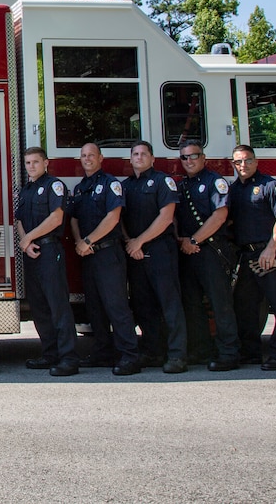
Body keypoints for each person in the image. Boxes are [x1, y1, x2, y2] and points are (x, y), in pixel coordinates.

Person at [68, 143, 140, 376]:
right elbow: (74, 219)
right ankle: (102, 352)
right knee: (95, 307)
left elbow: (113, 217)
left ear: (101, 158)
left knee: (116, 306)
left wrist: (87, 241)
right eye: (84, 156)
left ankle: (129, 355)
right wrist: (81, 242)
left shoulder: (111, 184)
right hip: (88, 255)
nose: (87, 159)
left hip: (109, 253)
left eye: (91, 155)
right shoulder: (80, 188)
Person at [175, 140, 241, 371]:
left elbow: (220, 216)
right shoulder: (182, 186)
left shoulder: (216, 182)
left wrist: (194, 240)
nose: (189, 161)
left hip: (212, 250)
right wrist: (183, 242)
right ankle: (202, 350)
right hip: (188, 252)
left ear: (203, 158)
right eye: (184, 157)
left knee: (220, 303)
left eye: (194, 156)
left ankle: (229, 353)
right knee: (192, 304)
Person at [122, 140, 187, 374]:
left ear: (152, 158)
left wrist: (139, 241)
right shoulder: (125, 186)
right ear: (130, 159)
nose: (139, 157)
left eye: (143, 154)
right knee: (143, 305)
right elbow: (120, 219)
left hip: (160, 250)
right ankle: (152, 351)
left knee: (169, 304)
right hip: (135, 253)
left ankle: (178, 355)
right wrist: (132, 243)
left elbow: (166, 217)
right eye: (135, 154)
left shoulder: (162, 181)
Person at [228, 145, 276, 371]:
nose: (243, 166)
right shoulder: (234, 190)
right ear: (233, 164)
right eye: (238, 162)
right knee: (245, 305)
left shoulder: (270, 186)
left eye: (247, 161)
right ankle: (251, 353)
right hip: (247, 256)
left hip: (270, 254)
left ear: (256, 162)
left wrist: (270, 249)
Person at [15, 146, 78, 377]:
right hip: (32, 252)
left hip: (50, 250)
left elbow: (56, 217)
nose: (31, 166)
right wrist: (25, 242)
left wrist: (30, 238)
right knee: (40, 308)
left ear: (46, 163)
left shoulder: (54, 185)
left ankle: (69, 358)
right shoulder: (26, 190)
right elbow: (20, 219)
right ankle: (50, 354)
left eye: (35, 162)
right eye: (28, 163)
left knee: (58, 306)